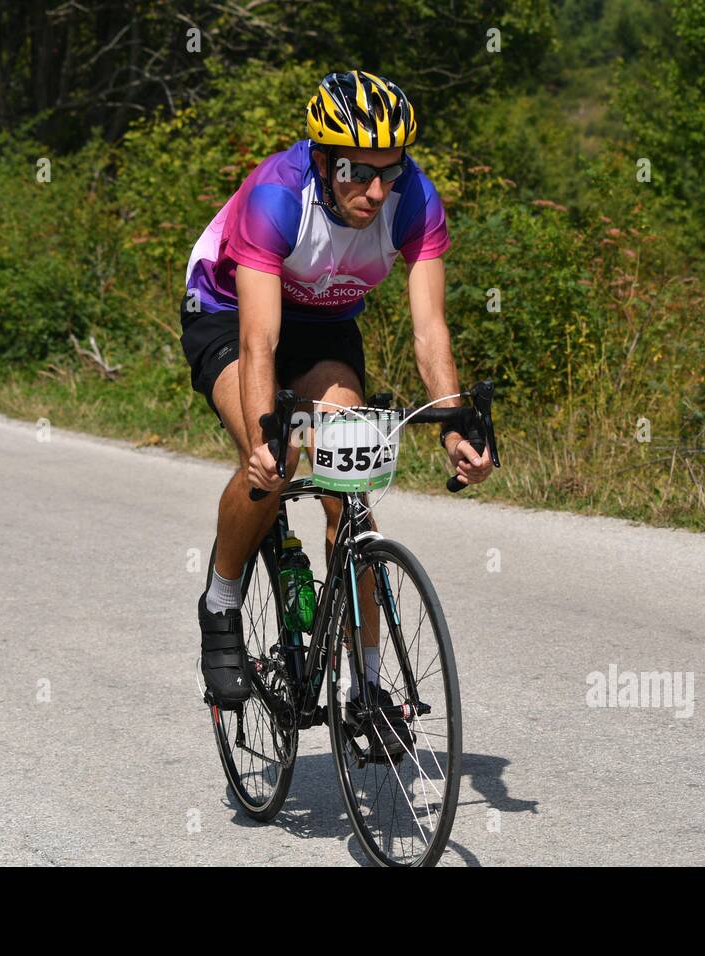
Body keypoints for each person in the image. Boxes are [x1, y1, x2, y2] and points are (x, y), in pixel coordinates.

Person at [180, 69, 493, 730]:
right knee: (273, 463)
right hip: (230, 310)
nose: (376, 190)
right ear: (322, 159)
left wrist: (453, 422)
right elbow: (260, 340)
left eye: (390, 169)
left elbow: (429, 329)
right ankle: (221, 599)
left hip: (323, 323)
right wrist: (268, 435)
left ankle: (369, 690)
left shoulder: (414, 202)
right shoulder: (277, 197)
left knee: (346, 482)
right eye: (356, 170)